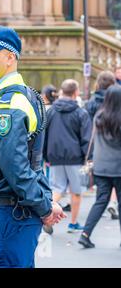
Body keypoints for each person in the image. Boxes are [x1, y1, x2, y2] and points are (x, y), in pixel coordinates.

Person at [0, 26, 65, 268]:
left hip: (7, 215)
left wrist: (43, 207)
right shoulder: (5, 97)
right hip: (8, 214)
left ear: (10, 57)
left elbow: (13, 165)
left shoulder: (11, 102)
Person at [44, 79, 92, 233]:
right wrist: (88, 158)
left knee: (57, 188)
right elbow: (86, 138)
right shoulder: (80, 112)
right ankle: (73, 223)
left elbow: (44, 134)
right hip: (75, 158)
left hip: (55, 156)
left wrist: (45, 156)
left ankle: (46, 216)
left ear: (61, 91)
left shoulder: (51, 111)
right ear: (76, 93)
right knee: (76, 191)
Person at [78, 85, 121, 248]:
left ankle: (85, 233)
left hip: (101, 167)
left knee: (100, 201)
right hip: (118, 168)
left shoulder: (99, 116)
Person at [84, 71, 119, 220]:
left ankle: (86, 233)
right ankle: (112, 202)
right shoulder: (116, 104)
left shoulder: (91, 104)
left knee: (101, 194)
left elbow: (86, 127)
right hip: (114, 155)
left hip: (97, 150)